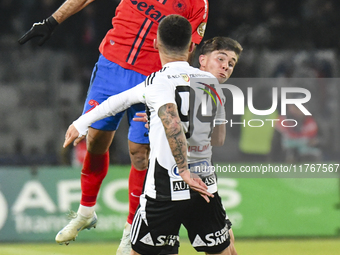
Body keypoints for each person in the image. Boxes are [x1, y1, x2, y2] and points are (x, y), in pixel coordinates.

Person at [18, 0, 209, 250]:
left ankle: (131, 229)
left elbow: (188, 46)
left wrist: (173, 87)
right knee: (95, 140)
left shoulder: (198, 4)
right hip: (112, 66)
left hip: (151, 77)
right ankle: (86, 213)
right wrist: (52, 21)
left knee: (140, 153)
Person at [63, 15, 242, 255]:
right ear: (191, 48)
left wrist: (81, 123)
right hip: (204, 184)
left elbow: (118, 104)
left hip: (165, 188)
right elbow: (217, 139)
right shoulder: (212, 83)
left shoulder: (155, 82)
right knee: (226, 250)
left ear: (156, 43)